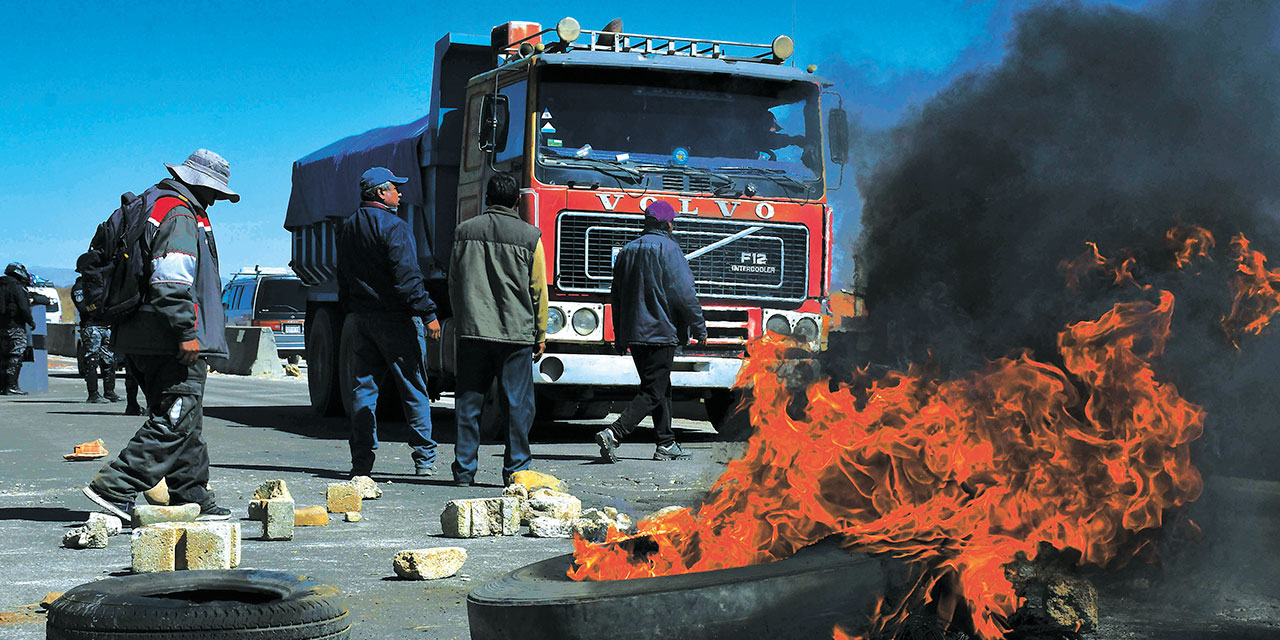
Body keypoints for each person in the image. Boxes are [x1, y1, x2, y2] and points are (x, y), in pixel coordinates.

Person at [81, 149, 238, 522]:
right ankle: (115, 486)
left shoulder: (149, 203)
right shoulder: (179, 213)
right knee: (175, 417)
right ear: (198, 184)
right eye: (214, 191)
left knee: (184, 418)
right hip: (167, 336)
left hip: (138, 333)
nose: (215, 199)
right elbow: (170, 280)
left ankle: (191, 493)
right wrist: (186, 331)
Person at [337, 167, 441, 477]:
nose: (401, 193)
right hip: (396, 320)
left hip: (360, 318)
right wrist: (429, 314)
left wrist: (351, 310)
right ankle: (424, 459)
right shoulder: (395, 227)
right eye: (396, 188)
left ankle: (361, 463)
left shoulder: (347, 227)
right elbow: (408, 278)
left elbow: (342, 276)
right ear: (382, 193)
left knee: (362, 392)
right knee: (413, 389)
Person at [448, 173, 548, 487]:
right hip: (516, 335)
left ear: (487, 199)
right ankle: (517, 471)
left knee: (468, 404)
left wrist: (463, 320)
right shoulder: (530, 236)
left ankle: (464, 471)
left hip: (473, 333)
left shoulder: (464, 232)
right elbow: (538, 290)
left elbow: (454, 282)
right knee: (517, 406)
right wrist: (540, 334)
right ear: (517, 201)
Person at [595, 200, 707, 463]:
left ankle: (666, 442)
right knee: (653, 391)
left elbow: (617, 297)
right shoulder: (670, 249)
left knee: (660, 386)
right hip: (660, 332)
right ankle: (615, 432)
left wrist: (620, 335)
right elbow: (684, 294)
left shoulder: (627, 251)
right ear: (668, 224)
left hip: (635, 333)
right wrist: (699, 325)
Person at [0, 262, 35, 395]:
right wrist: (30, 321)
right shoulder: (17, 287)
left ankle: (2, 386)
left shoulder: (2, 285)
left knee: (3, 356)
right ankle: (12, 385)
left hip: (1, 326)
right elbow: (23, 307)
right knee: (16, 353)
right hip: (15, 325)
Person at [80, 318, 118, 403]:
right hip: (91, 326)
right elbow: (82, 307)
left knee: (109, 360)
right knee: (91, 361)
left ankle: (109, 392)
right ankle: (93, 394)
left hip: (106, 326)